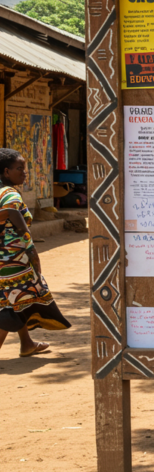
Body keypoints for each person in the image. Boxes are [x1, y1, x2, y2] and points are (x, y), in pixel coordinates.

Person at [0, 149, 71, 356]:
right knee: (10, 305)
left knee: (15, 299)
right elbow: (18, 228)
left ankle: (27, 344)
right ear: (6, 171)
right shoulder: (10, 195)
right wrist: (33, 255)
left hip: (4, 260)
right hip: (14, 261)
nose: (25, 173)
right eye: (19, 169)